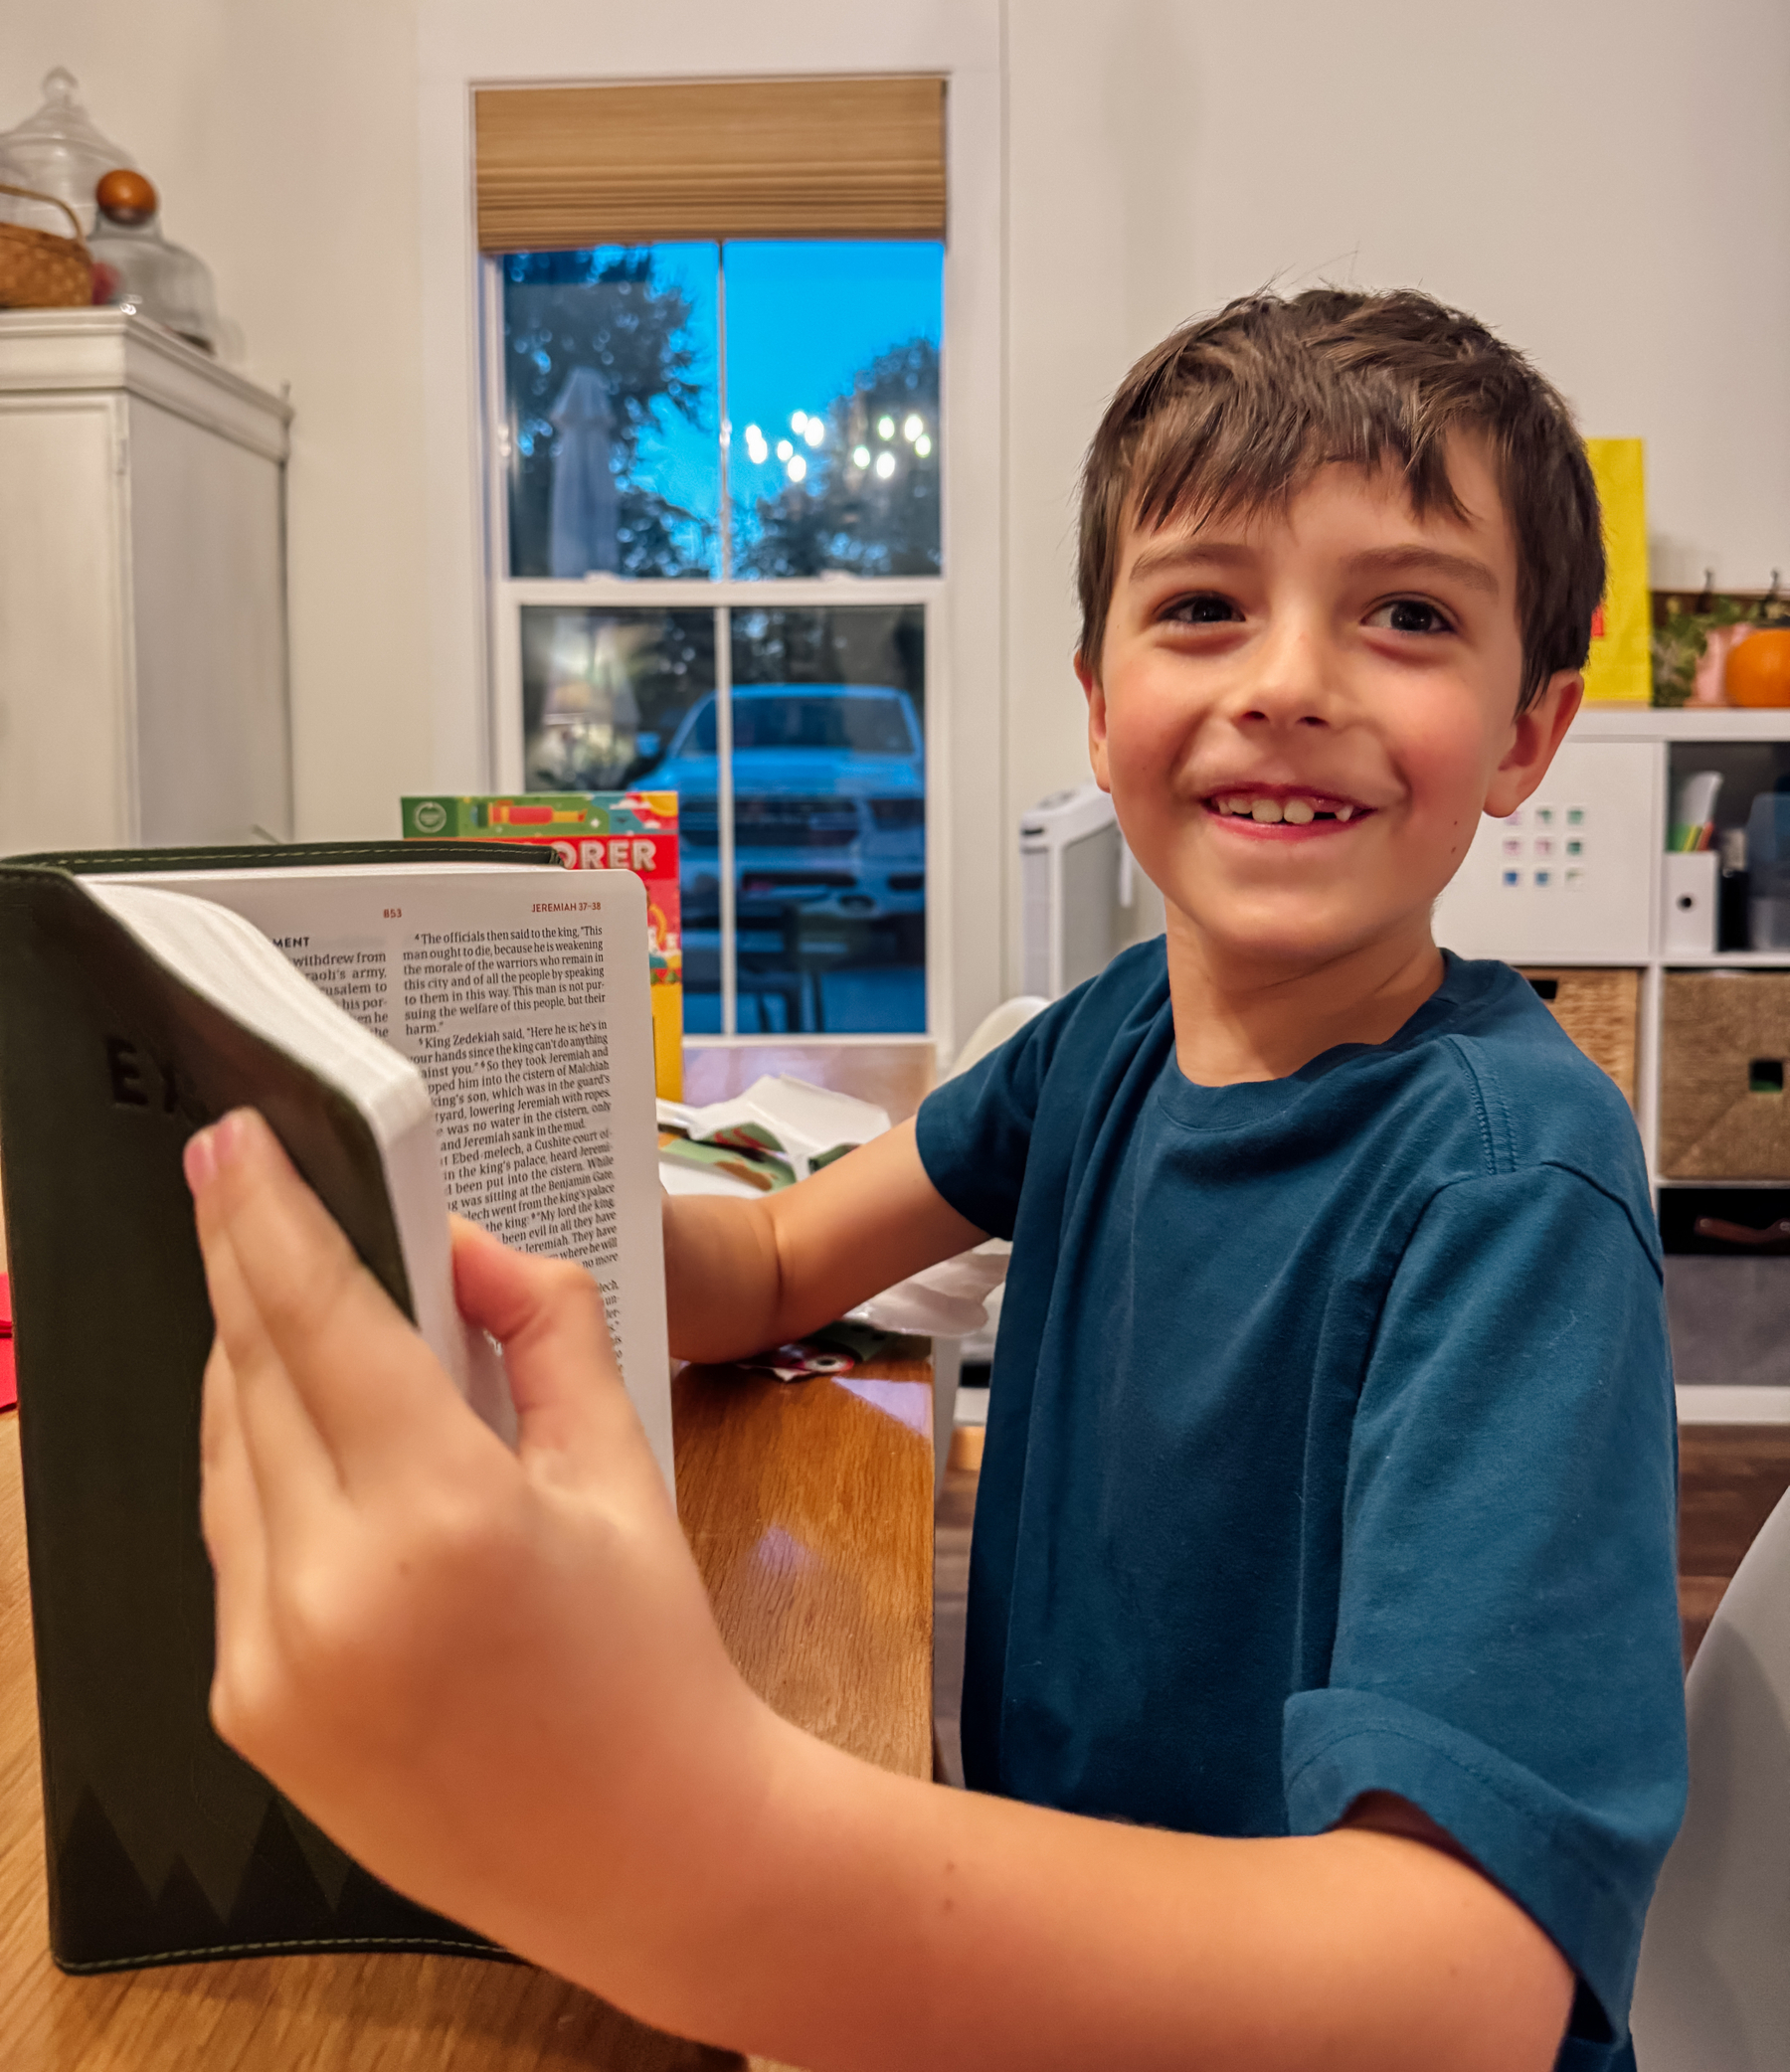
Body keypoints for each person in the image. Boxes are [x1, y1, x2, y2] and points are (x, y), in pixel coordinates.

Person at [188, 289, 1686, 2072]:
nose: (1287, 681)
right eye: (1203, 605)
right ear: (1099, 699)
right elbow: (774, 1262)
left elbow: (1460, 1991)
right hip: (1044, 1946)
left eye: (1412, 616)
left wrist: (707, 1837)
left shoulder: (1510, 1193)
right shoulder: (1106, 1037)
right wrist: (466, 1242)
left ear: (1528, 732)